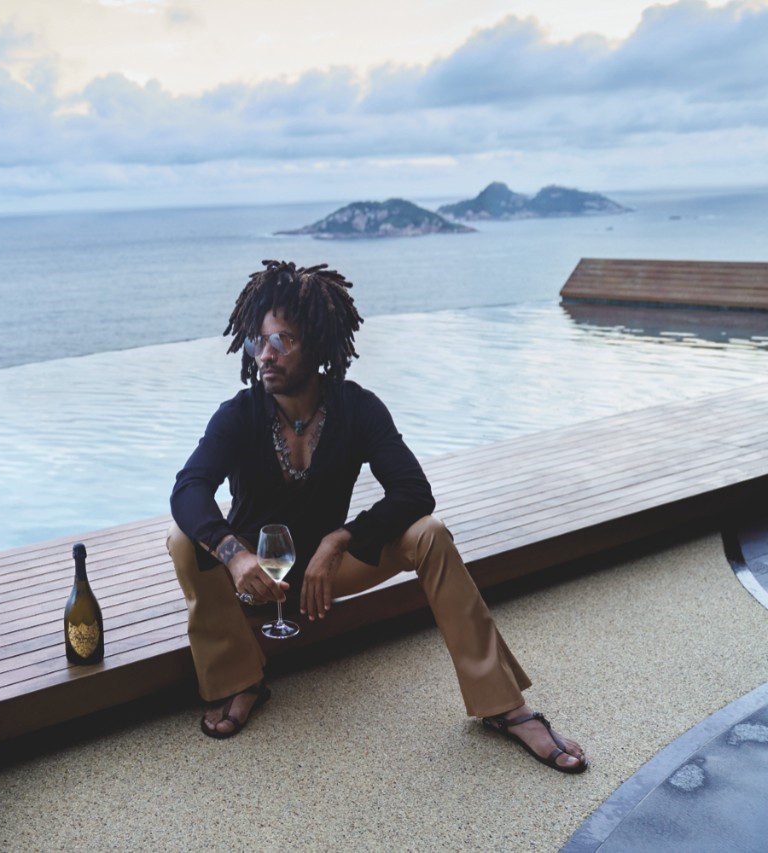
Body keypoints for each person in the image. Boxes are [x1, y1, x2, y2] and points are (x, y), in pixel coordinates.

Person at [167, 260, 587, 773]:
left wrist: (340, 539)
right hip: (259, 580)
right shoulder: (239, 414)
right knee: (183, 539)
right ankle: (239, 680)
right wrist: (234, 556)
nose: (265, 355)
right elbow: (188, 490)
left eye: (283, 340)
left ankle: (505, 706)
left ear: (318, 346)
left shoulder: (356, 408)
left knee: (428, 535)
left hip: (330, 574)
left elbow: (414, 491)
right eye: (260, 341)